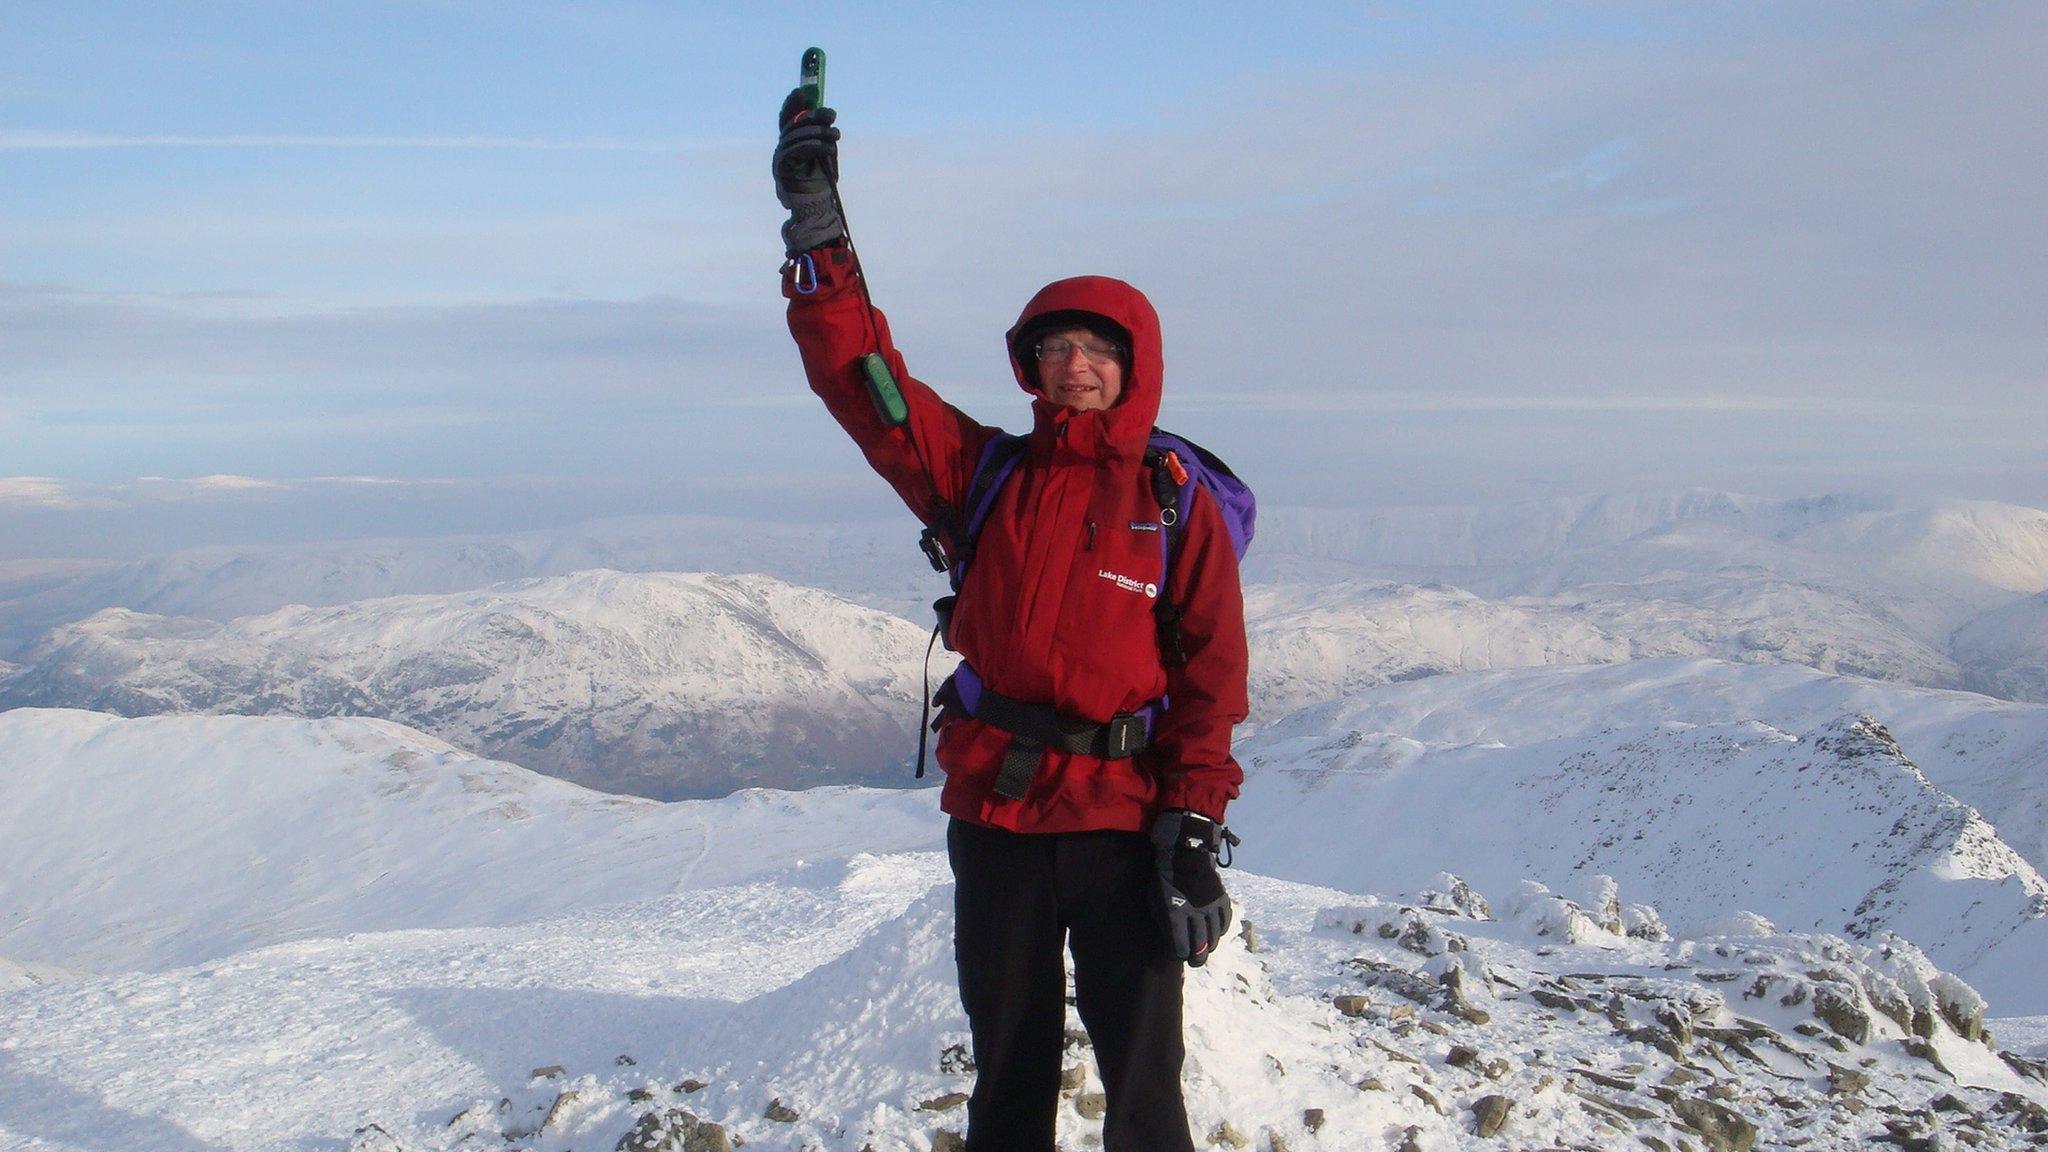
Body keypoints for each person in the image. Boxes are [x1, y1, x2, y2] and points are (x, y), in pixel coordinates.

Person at [774, 90, 1249, 1152]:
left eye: (1095, 348)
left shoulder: (1172, 500)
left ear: (1132, 366)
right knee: (1008, 1069)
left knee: (1141, 1079)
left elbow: (1213, 668)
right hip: (993, 818)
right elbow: (864, 382)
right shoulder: (979, 474)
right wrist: (817, 231)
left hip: (1124, 822)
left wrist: (1193, 821)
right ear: (1028, 365)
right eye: (1052, 348)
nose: (1072, 365)